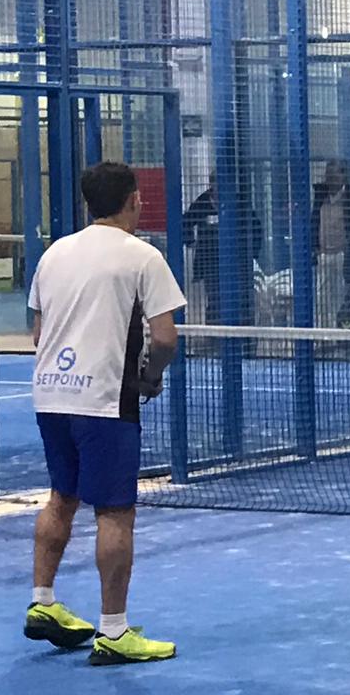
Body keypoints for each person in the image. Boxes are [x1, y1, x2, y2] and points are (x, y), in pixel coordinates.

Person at [23, 161, 184, 666]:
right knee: (114, 511)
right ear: (134, 200)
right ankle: (114, 631)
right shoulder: (143, 256)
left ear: (87, 203)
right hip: (105, 401)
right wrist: (149, 377)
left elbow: (38, 334)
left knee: (60, 498)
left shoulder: (53, 254)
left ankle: (43, 602)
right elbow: (165, 338)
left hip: (51, 396)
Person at [180, 177, 262, 328]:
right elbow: (186, 220)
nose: (219, 190)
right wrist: (190, 241)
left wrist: (252, 253)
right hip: (211, 262)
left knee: (241, 296)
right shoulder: (203, 202)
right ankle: (214, 333)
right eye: (216, 186)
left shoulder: (239, 202)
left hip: (237, 260)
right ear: (211, 186)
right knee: (215, 298)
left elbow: (256, 226)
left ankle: (244, 330)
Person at [312, 161, 350, 330]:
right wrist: (315, 248)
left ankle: (346, 331)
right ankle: (325, 333)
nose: (331, 178)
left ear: (344, 176)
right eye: (328, 174)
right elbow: (314, 224)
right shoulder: (320, 200)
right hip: (324, 255)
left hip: (345, 256)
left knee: (345, 296)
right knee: (322, 298)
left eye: (335, 174)